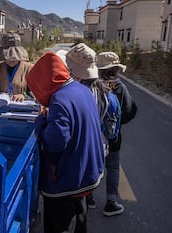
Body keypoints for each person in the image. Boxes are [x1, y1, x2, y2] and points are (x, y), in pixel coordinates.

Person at [26, 52, 105, 233]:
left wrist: (40, 123)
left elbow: (56, 142)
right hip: (87, 171)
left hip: (68, 178)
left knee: (59, 224)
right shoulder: (81, 89)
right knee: (79, 217)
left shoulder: (60, 99)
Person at [65, 43, 118, 211]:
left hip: (76, 149)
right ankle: (89, 199)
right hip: (99, 144)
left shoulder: (72, 93)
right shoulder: (106, 92)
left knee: (74, 198)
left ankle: (84, 203)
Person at [96, 51, 137, 216]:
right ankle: (111, 202)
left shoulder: (93, 86)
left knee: (94, 166)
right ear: (116, 69)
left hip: (94, 137)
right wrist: (116, 124)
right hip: (113, 137)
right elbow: (130, 110)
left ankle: (89, 197)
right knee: (112, 167)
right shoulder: (120, 87)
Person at [0, 32, 33, 102]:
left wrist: (24, 95)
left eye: (14, 56)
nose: (11, 59)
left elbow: (36, 91)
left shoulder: (30, 69)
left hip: (23, 109)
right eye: (8, 56)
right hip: (0, 109)